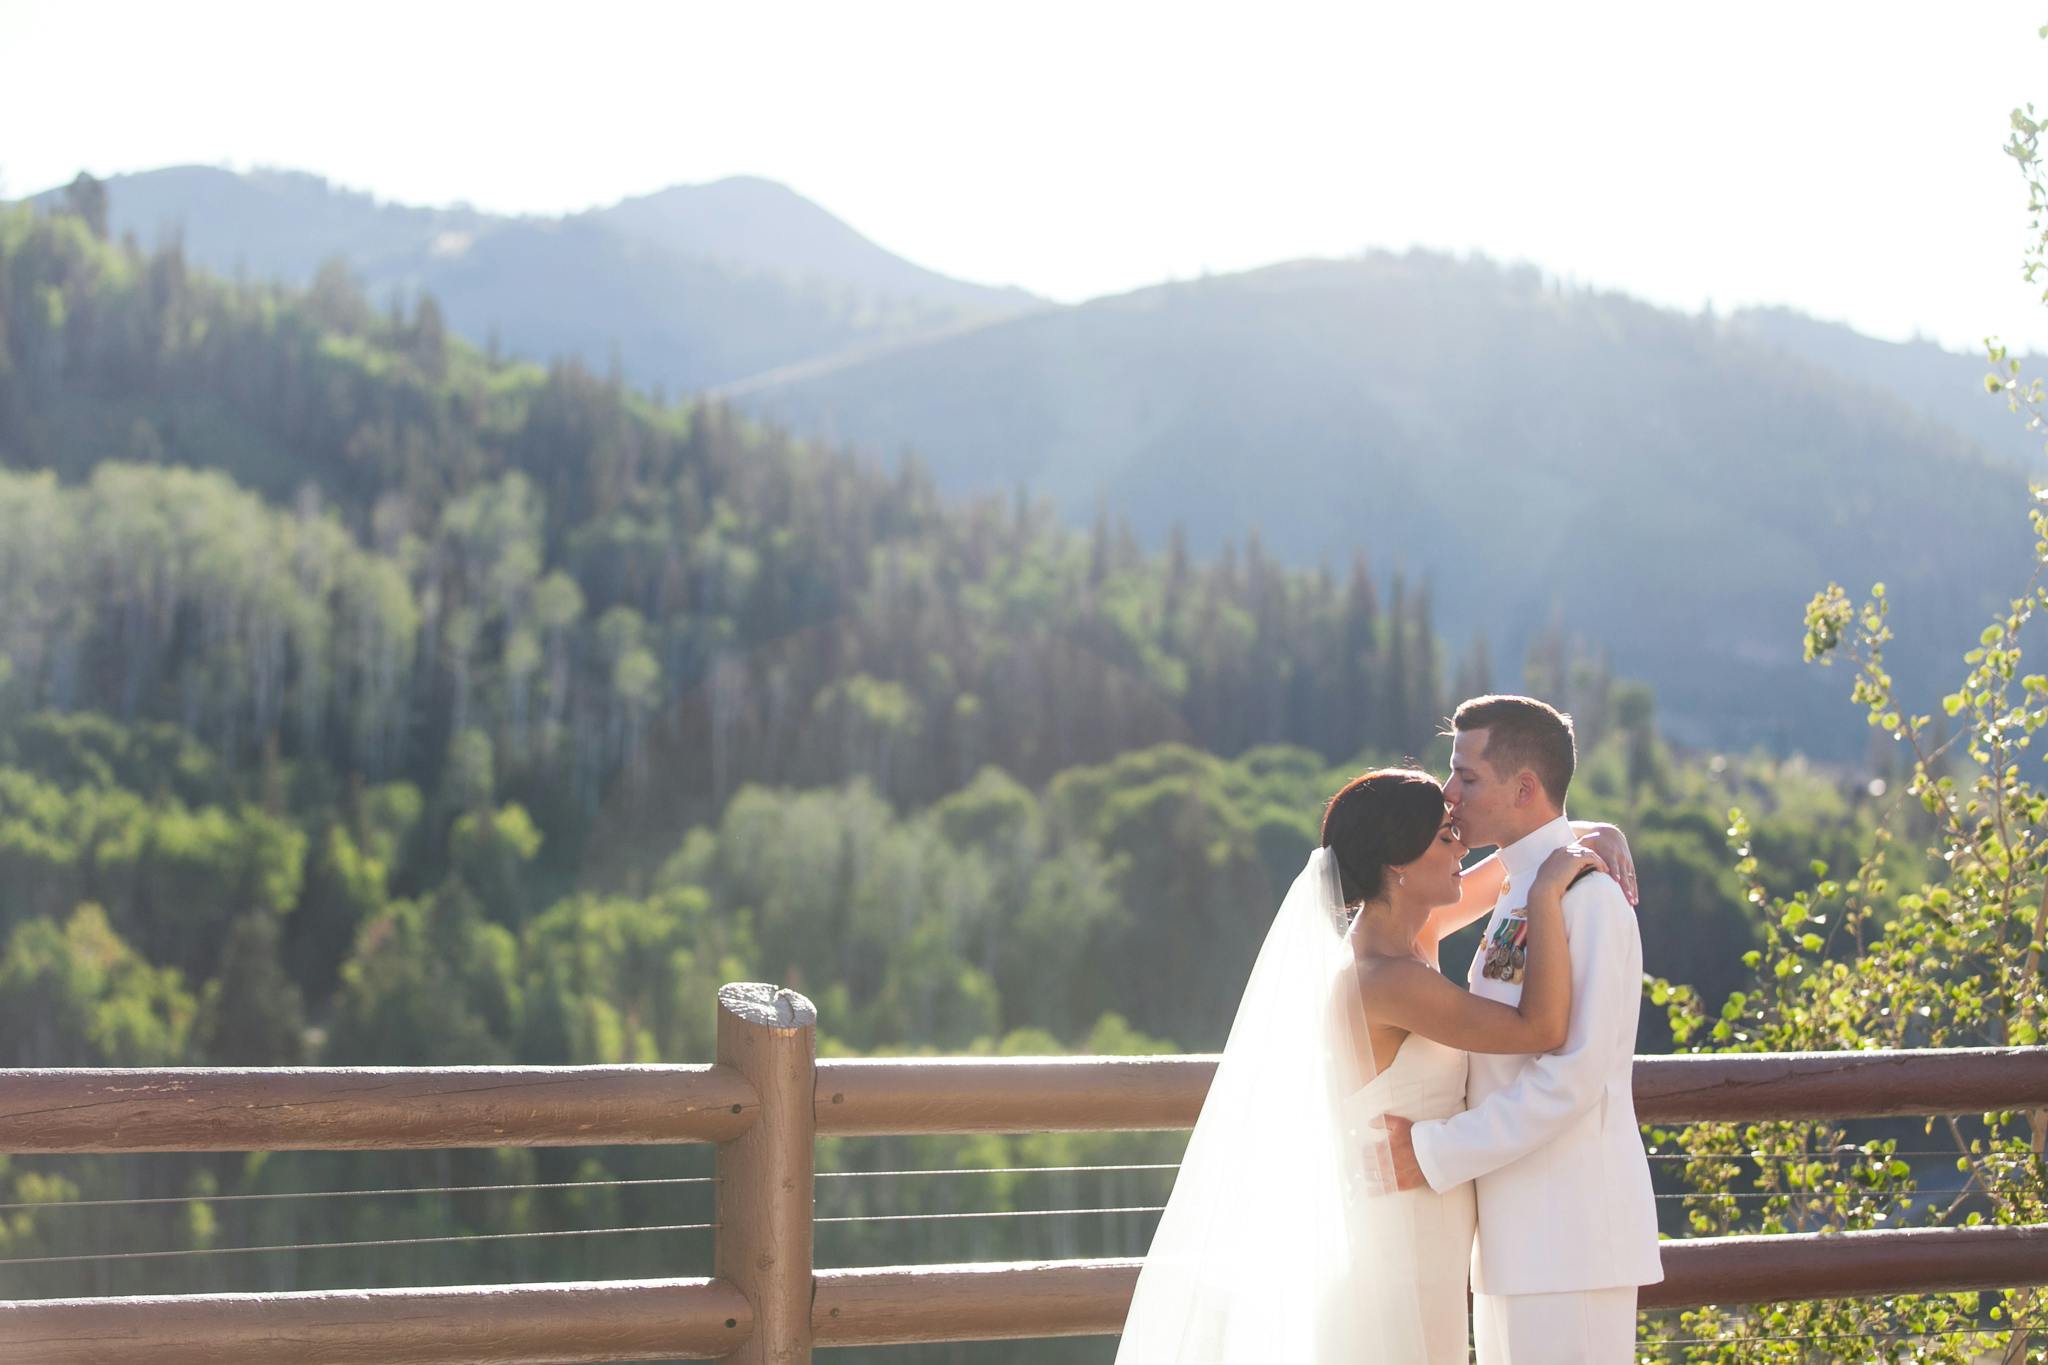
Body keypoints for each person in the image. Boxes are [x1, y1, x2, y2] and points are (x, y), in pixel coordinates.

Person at [1113, 753, 1631, 1362]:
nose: (1463, 847)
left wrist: (1597, 834)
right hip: (1395, 1232)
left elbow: (1521, 855)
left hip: (1424, 1221)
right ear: (1398, 866)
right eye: (1446, 837)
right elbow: (1541, 1028)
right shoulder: (1386, 980)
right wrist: (1545, 895)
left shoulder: (1415, 939)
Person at [1385, 695, 1663, 1365]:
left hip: (1572, 1238)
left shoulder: (1588, 899)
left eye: (1467, 776)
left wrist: (1432, 1152)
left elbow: (1572, 1077)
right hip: (1516, 1240)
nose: (1449, 795)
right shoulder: (1524, 885)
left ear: (1525, 786)